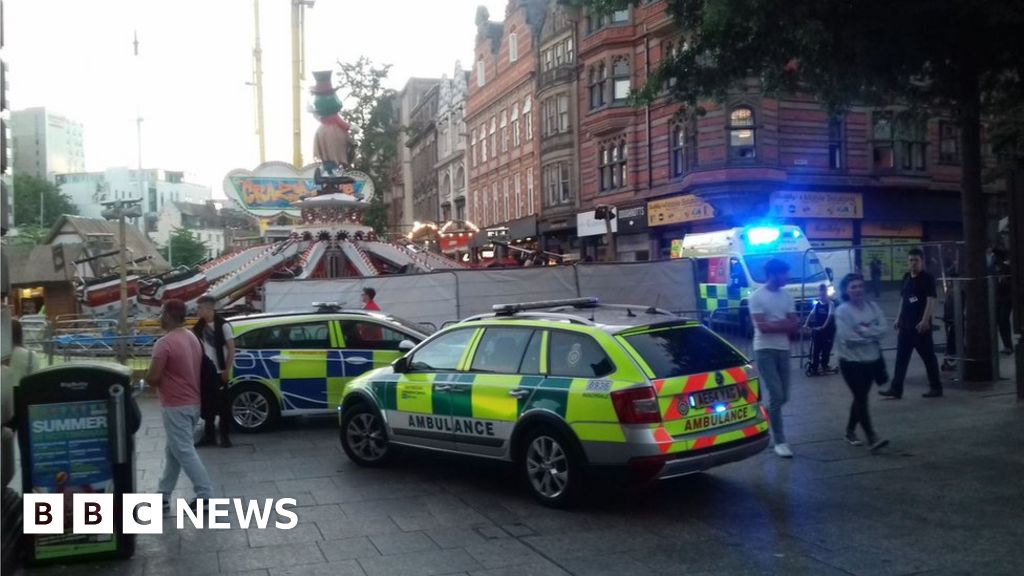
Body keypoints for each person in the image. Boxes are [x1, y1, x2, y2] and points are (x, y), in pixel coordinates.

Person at [146, 299, 214, 510]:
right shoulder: (191, 337)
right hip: (193, 402)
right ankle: (163, 495)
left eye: (160, 314)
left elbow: (153, 376)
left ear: (167, 315)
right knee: (172, 451)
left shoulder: (164, 343)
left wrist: (147, 379)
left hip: (175, 405)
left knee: (183, 450)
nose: (159, 318)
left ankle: (205, 495)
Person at [834, 273, 890, 452]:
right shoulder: (842, 311)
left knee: (861, 397)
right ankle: (872, 437)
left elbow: (883, 329)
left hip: (871, 360)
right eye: (853, 287)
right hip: (851, 362)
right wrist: (870, 334)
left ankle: (850, 431)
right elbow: (848, 338)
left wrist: (863, 332)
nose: (858, 290)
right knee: (860, 397)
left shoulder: (872, 307)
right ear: (846, 291)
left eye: (860, 286)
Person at [749, 258, 799, 458]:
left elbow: (794, 323)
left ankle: (764, 415)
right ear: (773, 274)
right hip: (764, 349)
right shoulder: (756, 297)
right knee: (777, 394)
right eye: (784, 273)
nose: (788, 277)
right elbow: (763, 327)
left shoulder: (787, 296)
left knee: (783, 396)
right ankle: (779, 440)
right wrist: (784, 324)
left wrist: (776, 325)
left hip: (783, 348)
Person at [880, 248, 943, 399]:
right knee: (901, 358)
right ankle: (896, 389)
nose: (913, 263)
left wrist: (924, 320)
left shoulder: (927, 278)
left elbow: (930, 300)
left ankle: (936, 388)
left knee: (928, 358)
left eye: (916, 260)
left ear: (922, 261)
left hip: (920, 327)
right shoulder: (906, 277)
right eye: (911, 260)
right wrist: (897, 318)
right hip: (905, 326)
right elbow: (903, 299)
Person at [192, 295, 235, 448]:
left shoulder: (223, 326)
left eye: (200, 307)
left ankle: (224, 436)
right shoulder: (198, 327)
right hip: (205, 370)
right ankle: (209, 435)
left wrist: (226, 370)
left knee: (223, 405)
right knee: (207, 404)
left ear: (209, 308)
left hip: (220, 370)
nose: (197, 310)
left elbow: (231, 349)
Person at [803, 284, 836, 375]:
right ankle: (815, 366)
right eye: (820, 295)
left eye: (823, 295)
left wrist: (823, 327)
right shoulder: (817, 304)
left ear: (826, 294)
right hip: (818, 331)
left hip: (827, 331)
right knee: (816, 350)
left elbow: (829, 317)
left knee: (826, 349)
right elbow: (811, 314)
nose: (822, 297)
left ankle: (825, 365)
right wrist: (806, 324)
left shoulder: (830, 304)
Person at [991, 248, 1014, 355]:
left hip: (1006, 298)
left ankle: (1008, 345)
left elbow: (1009, 282)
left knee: (1003, 320)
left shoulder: (1006, 268)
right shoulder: (994, 268)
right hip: (998, 297)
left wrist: (1003, 280)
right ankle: (1007, 345)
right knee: (1000, 321)